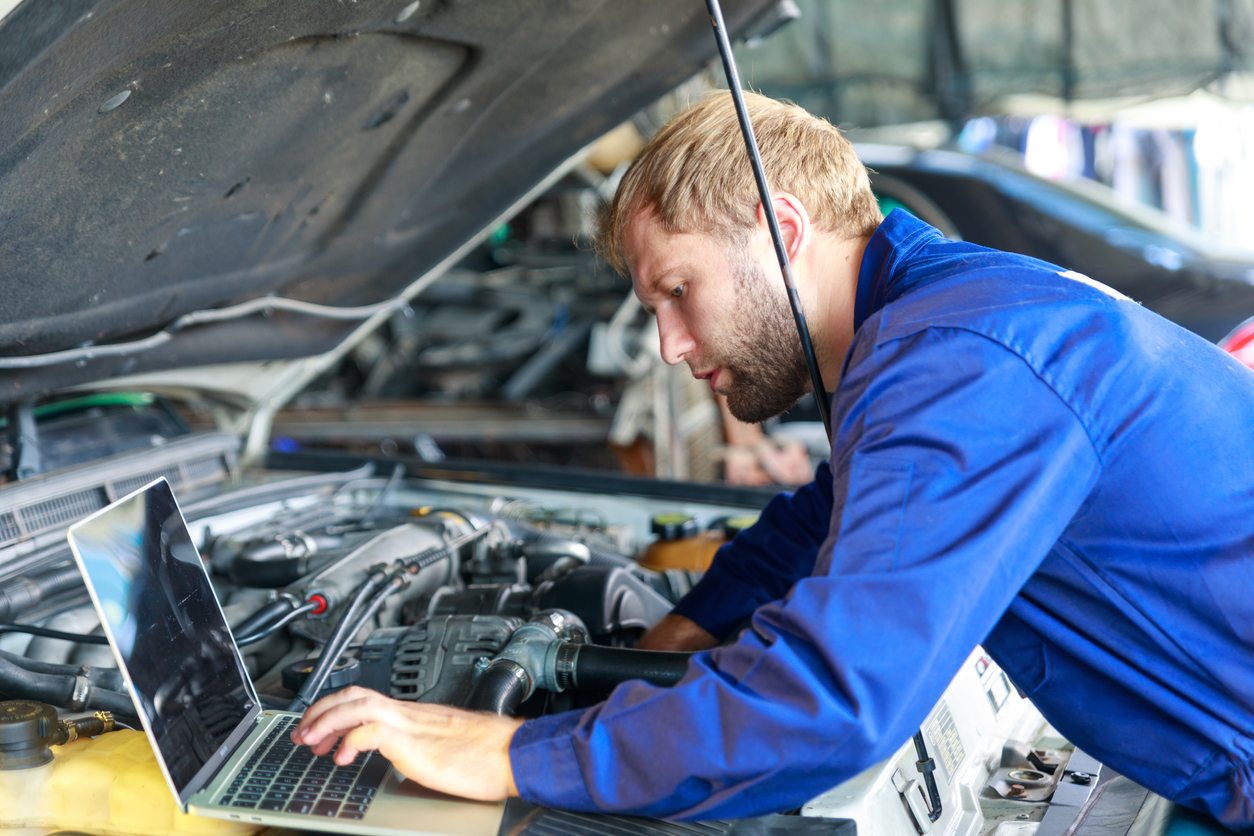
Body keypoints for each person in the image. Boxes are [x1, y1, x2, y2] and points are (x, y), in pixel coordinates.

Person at [291, 92, 1254, 830]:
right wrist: (678, 634)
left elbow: (836, 698)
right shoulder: (942, 319)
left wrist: (512, 754)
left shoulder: (963, 365)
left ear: (782, 233)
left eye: (677, 289)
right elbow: (830, 513)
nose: (669, 343)